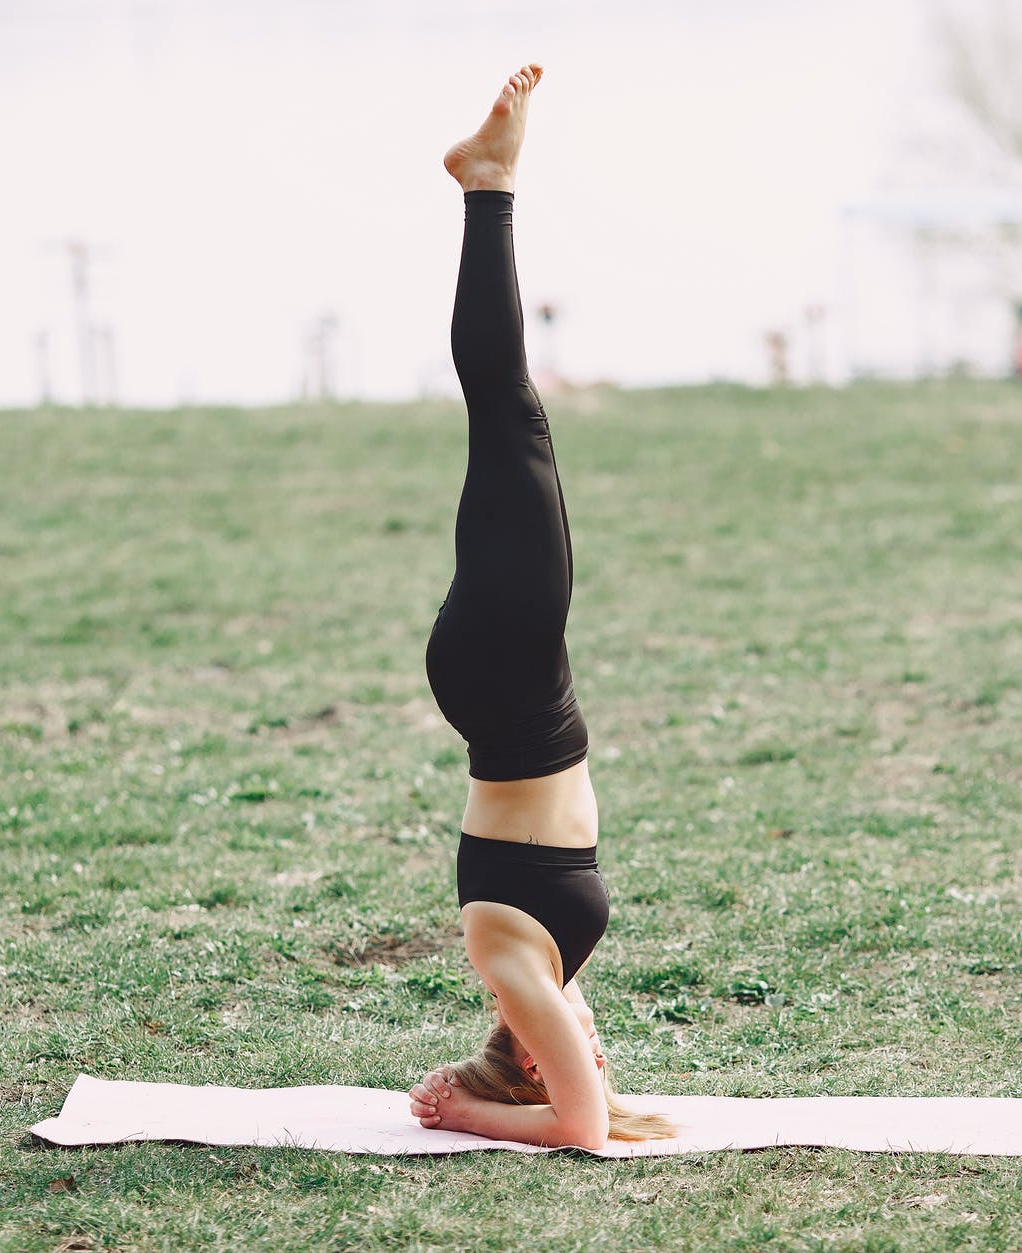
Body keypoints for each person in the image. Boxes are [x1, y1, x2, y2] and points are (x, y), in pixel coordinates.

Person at [407, 64, 675, 1148]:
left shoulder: (515, 968)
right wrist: (592, 1091)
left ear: (528, 1055)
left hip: (511, 681)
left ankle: (487, 186)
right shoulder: (543, 973)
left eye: (568, 1053)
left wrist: (465, 1109)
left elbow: (580, 1129)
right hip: (513, 685)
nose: (592, 1048)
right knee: (509, 417)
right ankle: (488, 185)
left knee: (507, 409)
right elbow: (599, 1107)